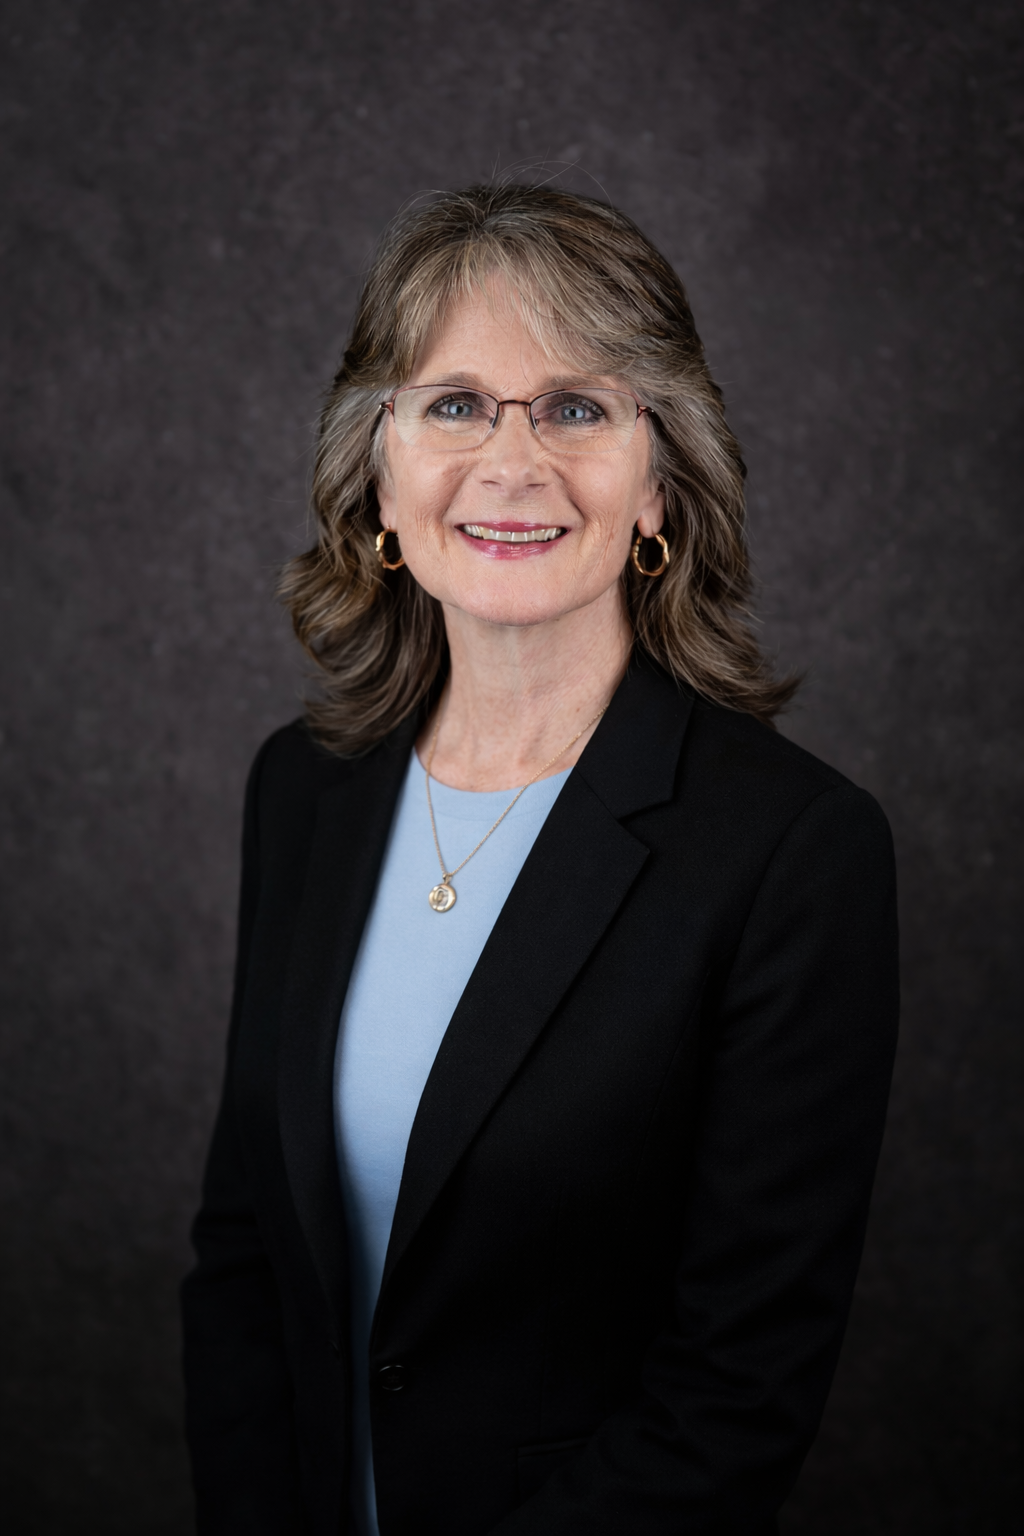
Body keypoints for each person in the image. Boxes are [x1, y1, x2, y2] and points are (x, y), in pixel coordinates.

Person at [181, 184, 899, 1536]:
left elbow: (736, 1391)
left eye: (576, 407)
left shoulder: (795, 853)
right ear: (377, 477)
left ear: (662, 486)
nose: (513, 465)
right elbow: (244, 1255)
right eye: (455, 403)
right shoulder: (306, 790)